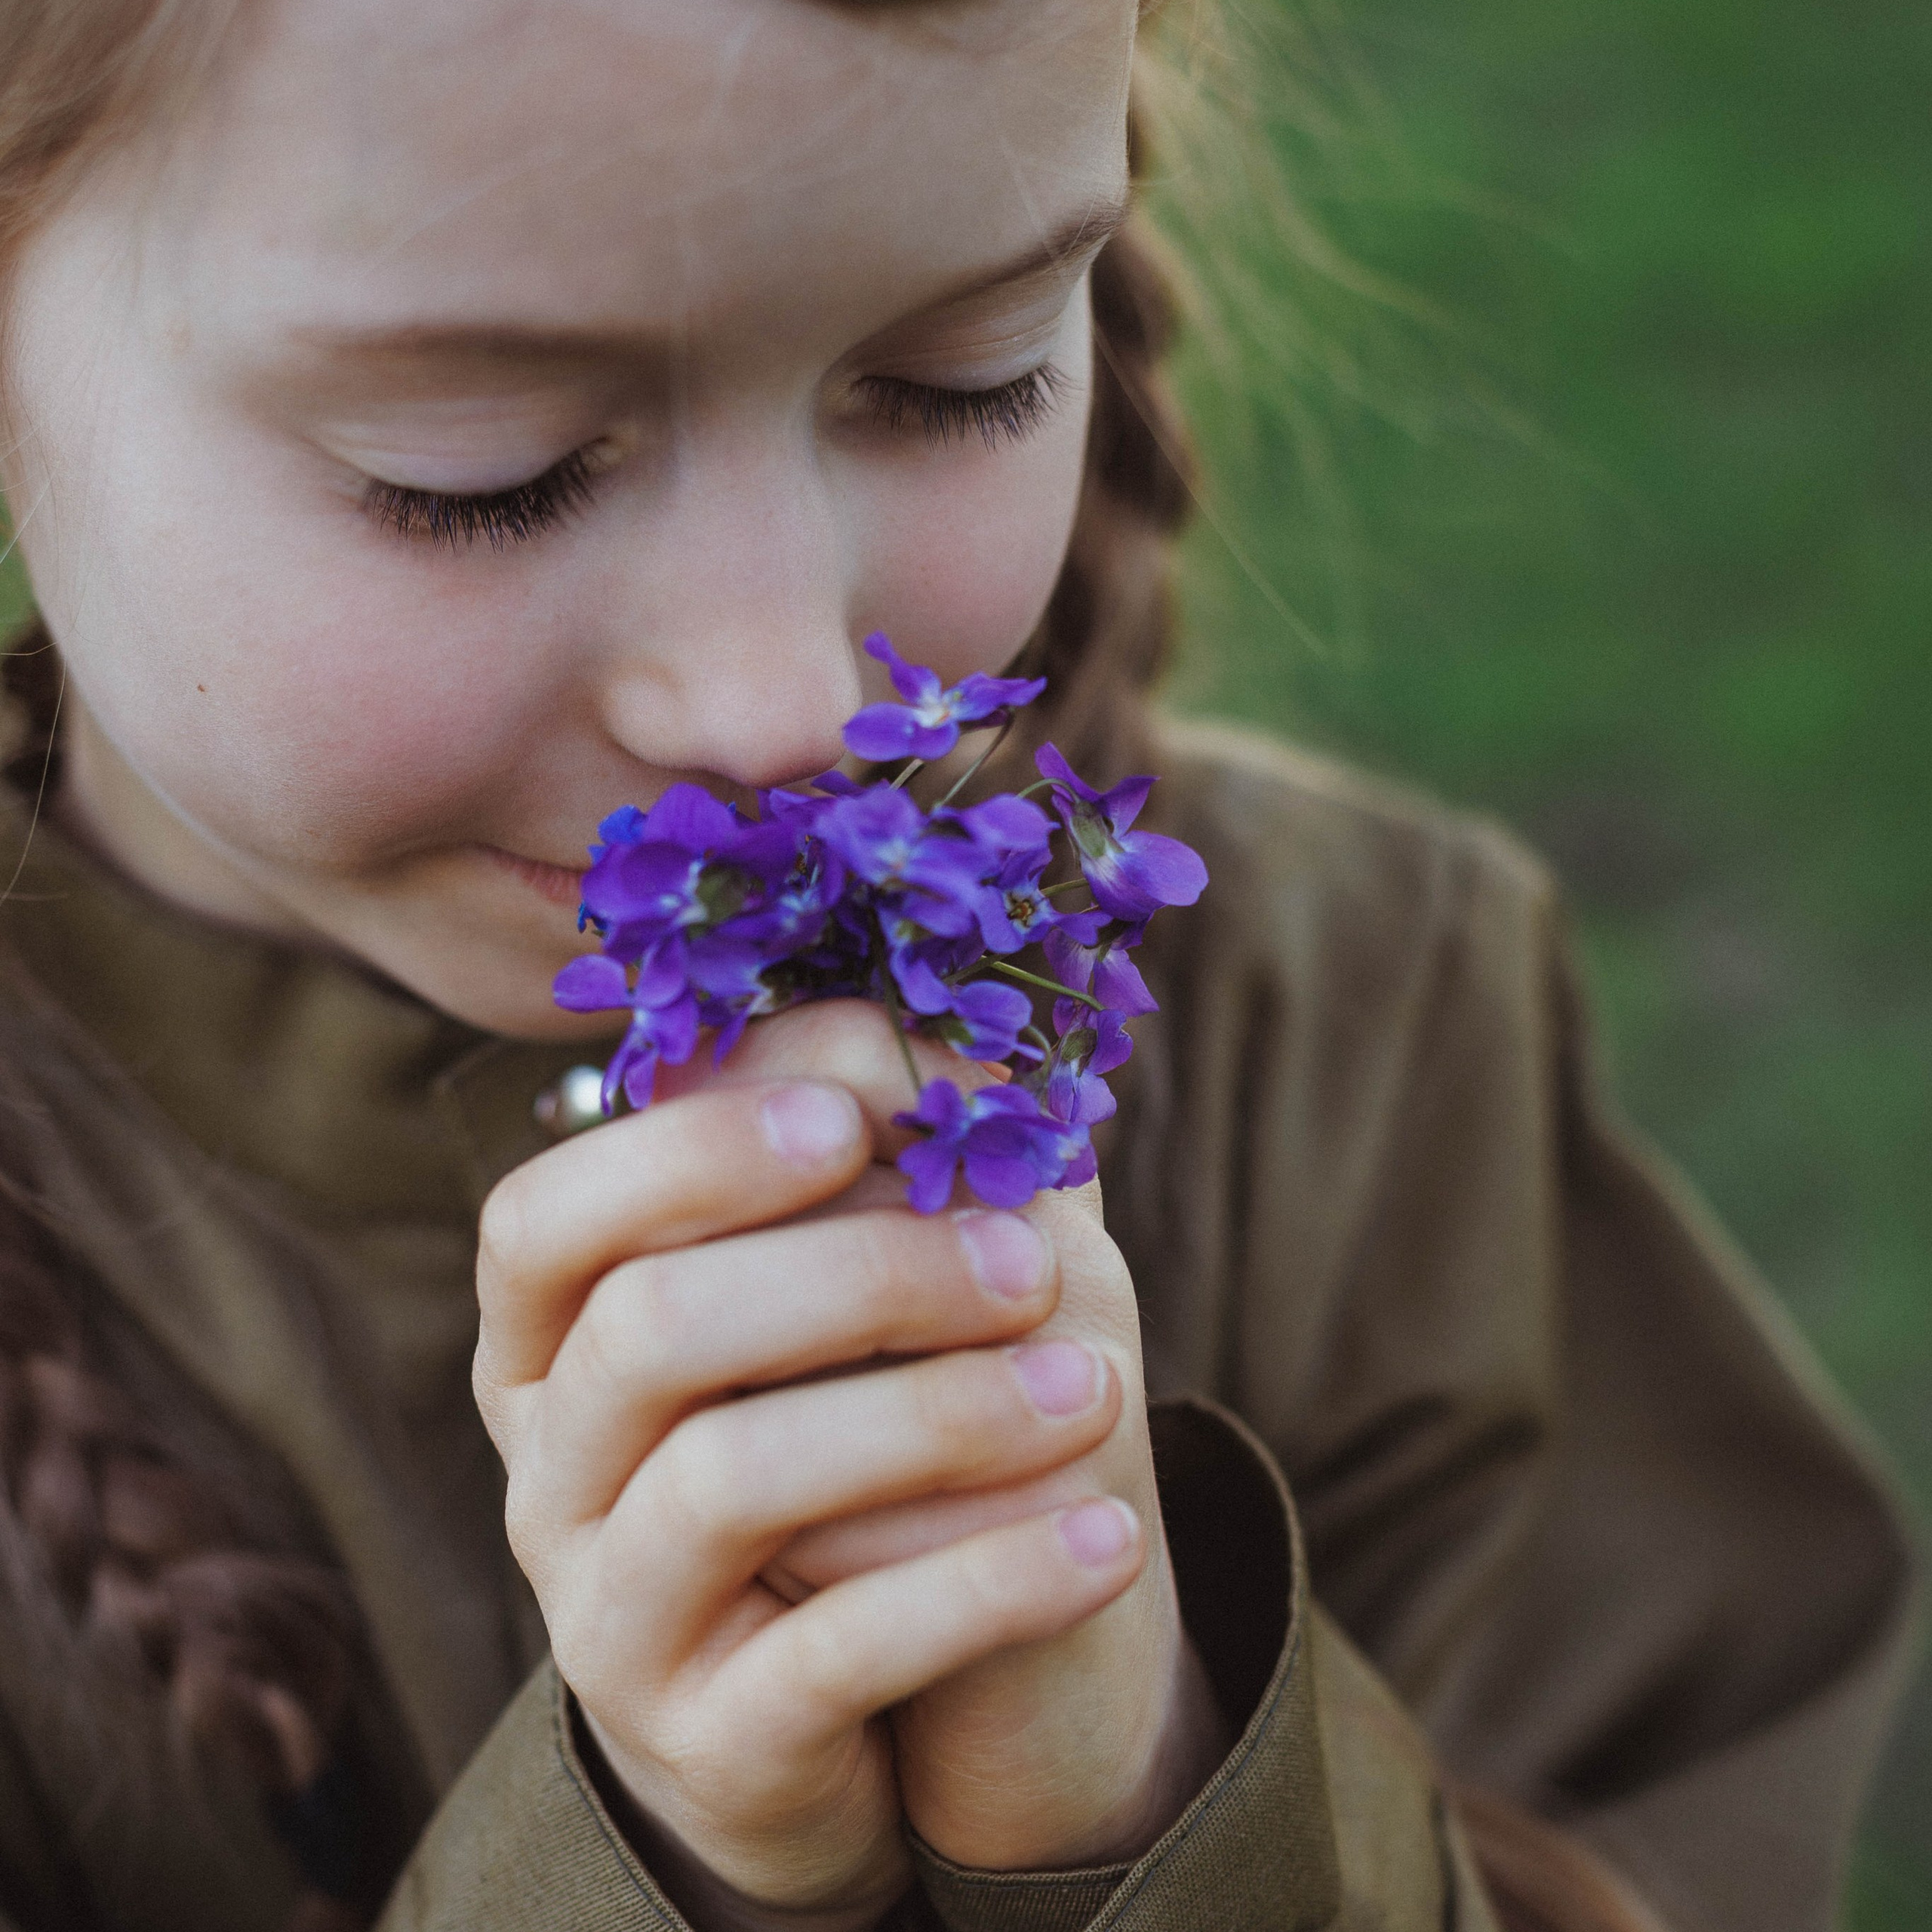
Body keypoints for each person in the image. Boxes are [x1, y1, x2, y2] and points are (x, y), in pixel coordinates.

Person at [0, 1, 1915, 1928]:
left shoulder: (1362, 1031)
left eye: (953, 380)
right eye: (481, 475)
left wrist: (1159, 1804)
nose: (776, 701)